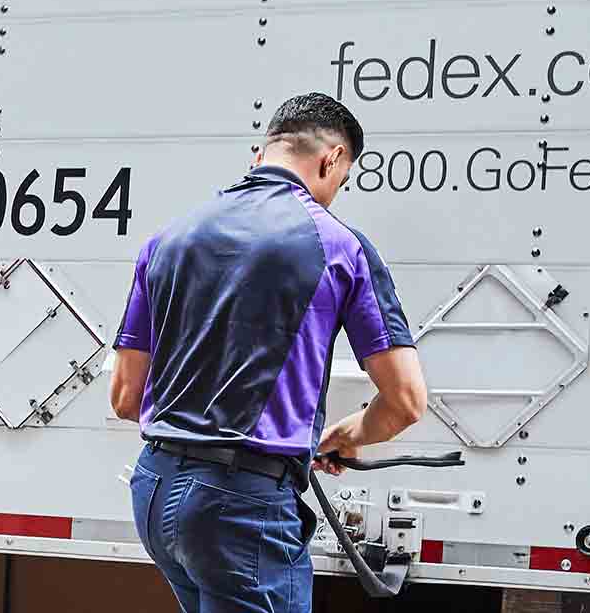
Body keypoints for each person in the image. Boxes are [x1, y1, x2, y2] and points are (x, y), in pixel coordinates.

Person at [105, 93, 432, 613]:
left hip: (154, 489)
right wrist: (343, 437)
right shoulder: (339, 245)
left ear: (261, 153)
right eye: (339, 184)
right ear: (332, 160)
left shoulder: (168, 239)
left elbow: (125, 398)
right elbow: (406, 401)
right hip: (241, 504)